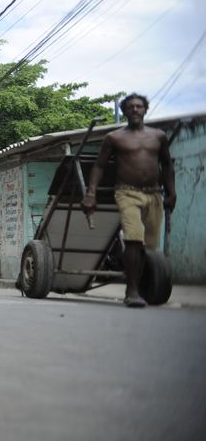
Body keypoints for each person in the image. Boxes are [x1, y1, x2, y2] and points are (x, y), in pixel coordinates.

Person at [82, 93, 176, 308]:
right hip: (126, 192)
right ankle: (131, 291)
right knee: (134, 238)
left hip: (154, 194)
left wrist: (172, 192)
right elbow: (99, 166)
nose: (135, 109)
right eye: (131, 107)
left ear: (145, 110)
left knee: (149, 246)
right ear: (124, 111)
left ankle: (141, 286)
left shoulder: (158, 136)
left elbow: (167, 165)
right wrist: (91, 193)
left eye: (139, 106)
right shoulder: (115, 138)